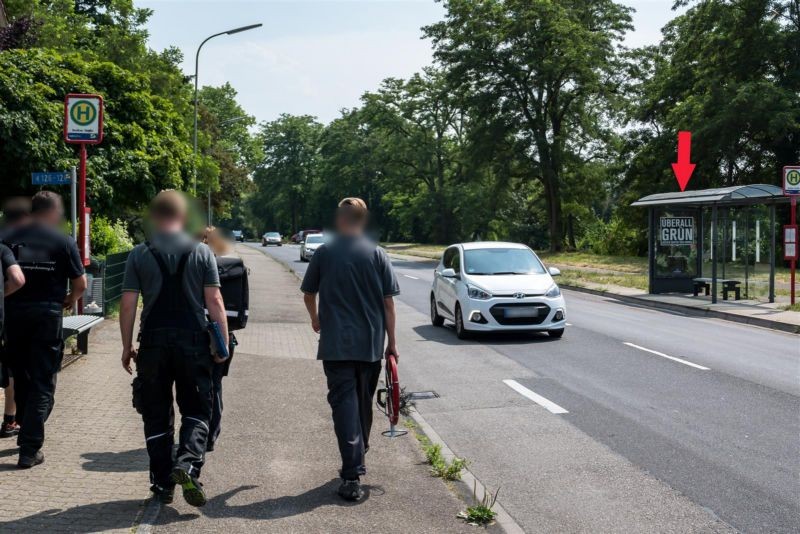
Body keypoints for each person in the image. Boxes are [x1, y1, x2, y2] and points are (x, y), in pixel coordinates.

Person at [119, 191, 228, 507]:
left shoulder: (138, 254)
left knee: (155, 414)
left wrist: (127, 346)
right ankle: (188, 464)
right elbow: (215, 301)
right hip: (193, 344)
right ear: (183, 218)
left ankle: (163, 485)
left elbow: (127, 305)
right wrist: (220, 344)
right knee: (196, 410)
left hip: (152, 344)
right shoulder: (202, 252)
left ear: (155, 217)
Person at [301, 197, 400, 502]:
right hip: (370, 345)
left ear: (341, 220)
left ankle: (352, 472)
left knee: (345, 406)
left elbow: (308, 293)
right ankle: (358, 452)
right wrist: (392, 344)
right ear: (362, 220)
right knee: (362, 403)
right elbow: (388, 304)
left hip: (335, 345)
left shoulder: (325, 253)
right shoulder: (377, 254)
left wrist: (316, 319)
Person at [4, 191, 86, 468]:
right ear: (52, 213)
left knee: (22, 375)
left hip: (14, 315)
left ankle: (26, 431)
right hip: (47, 315)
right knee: (43, 380)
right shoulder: (63, 241)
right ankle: (29, 447)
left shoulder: (10, 238)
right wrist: (69, 301)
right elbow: (81, 284)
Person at [199, 226, 236, 452]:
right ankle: (211, 434)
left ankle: (200, 431)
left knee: (200, 386)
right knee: (216, 385)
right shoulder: (228, 267)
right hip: (223, 334)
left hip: (200, 333)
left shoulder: (194, 264)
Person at [0, 198, 30, 439]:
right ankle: (12, 419)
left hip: (12, 313)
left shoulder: (5, 240)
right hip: (21, 315)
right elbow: (19, 279)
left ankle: (12, 419)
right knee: (13, 368)